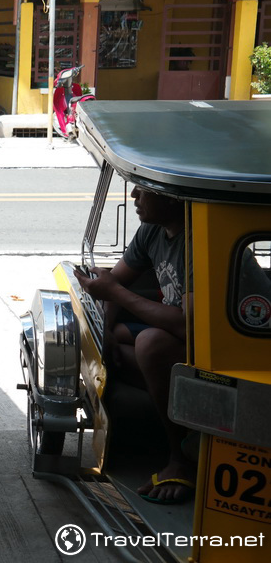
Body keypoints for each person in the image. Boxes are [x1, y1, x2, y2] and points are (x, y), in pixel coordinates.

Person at [75, 186, 194, 505]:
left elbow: (188, 325)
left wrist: (114, 293)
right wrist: (108, 332)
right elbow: (118, 280)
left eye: (144, 190)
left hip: (224, 352)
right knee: (119, 347)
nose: (134, 197)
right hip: (186, 346)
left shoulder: (199, 239)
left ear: (172, 195)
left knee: (150, 343)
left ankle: (183, 459)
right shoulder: (153, 231)